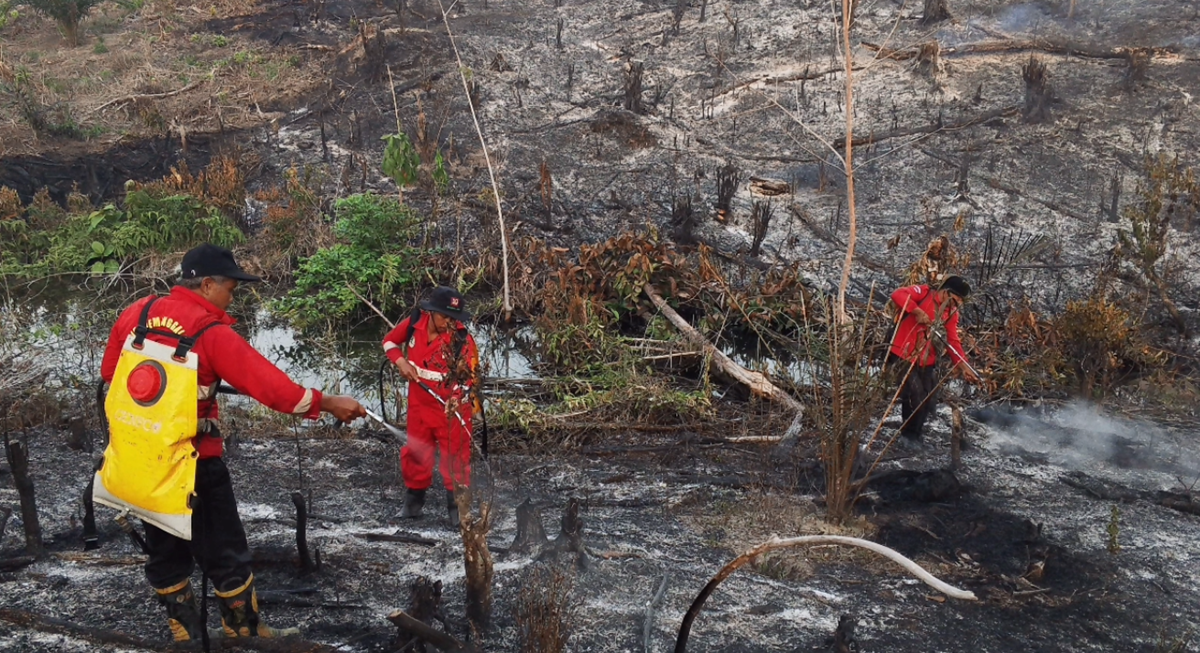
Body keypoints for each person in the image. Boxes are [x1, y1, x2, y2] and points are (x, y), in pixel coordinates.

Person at [98, 244, 366, 642]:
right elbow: (277, 392)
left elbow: (110, 373)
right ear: (208, 284)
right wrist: (328, 402)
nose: (231, 298)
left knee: (163, 546)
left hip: (140, 459)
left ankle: (187, 635)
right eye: (231, 289)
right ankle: (244, 633)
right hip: (194, 462)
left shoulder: (137, 312)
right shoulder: (211, 333)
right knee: (225, 550)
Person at [381, 286, 478, 526]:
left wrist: (456, 399)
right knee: (416, 452)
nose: (449, 322)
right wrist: (401, 362)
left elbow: (470, 379)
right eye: (445, 316)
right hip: (418, 405)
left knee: (455, 458)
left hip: (450, 409)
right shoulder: (416, 322)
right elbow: (389, 342)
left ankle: (457, 510)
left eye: (453, 317)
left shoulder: (462, 340)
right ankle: (413, 504)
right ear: (432, 312)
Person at [886, 275, 979, 440]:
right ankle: (907, 436)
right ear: (946, 292)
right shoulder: (924, 293)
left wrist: (964, 367)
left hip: (926, 359)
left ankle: (916, 436)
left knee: (927, 399)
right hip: (903, 354)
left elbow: (952, 341)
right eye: (956, 299)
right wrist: (917, 311)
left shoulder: (951, 313)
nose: (957, 304)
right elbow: (898, 294)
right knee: (914, 394)